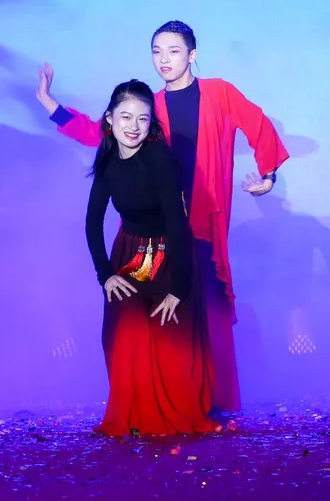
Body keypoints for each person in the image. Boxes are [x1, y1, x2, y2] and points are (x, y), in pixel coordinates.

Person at [38, 20, 290, 414]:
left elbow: (257, 122)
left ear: (192, 54)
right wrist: (50, 105)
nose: (164, 60)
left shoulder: (219, 93)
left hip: (203, 216)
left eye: (173, 51)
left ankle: (213, 400)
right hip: (155, 227)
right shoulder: (149, 106)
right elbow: (100, 131)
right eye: (157, 51)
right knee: (152, 316)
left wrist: (268, 175)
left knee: (207, 304)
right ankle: (163, 401)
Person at [85, 79, 215, 436]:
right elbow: (92, 222)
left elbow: (177, 220)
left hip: (170, 254)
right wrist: (105, 275)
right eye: (125, 117)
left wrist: (179, 287)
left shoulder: (158, 157)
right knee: (124, 331)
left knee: (166, 337)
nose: (134, 126)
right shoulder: (107, 159)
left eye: (142, 119)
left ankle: (165, 414)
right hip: (130, 255)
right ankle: (133, 413)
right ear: (110, 118)